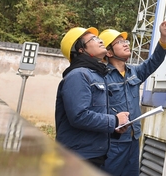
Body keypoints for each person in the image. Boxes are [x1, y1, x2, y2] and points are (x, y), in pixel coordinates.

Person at [99, 16, 166, 176]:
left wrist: (163, 38)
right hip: (113, 143)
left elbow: (154, 62)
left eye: (125, 40)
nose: (126, 44)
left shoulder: (134, 72)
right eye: (119, 42)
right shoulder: (102, 77)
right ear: (109, 52)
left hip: (133, 140)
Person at [55, 27, 130, 168]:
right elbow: (79, 116)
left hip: (94, 155)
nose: (100, 40)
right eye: (93, 39)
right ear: (81, 50)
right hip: (78, 158)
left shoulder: (96, 75)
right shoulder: (78, 75)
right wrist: (114, 120)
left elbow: (95, 116)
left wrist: (115, 127)